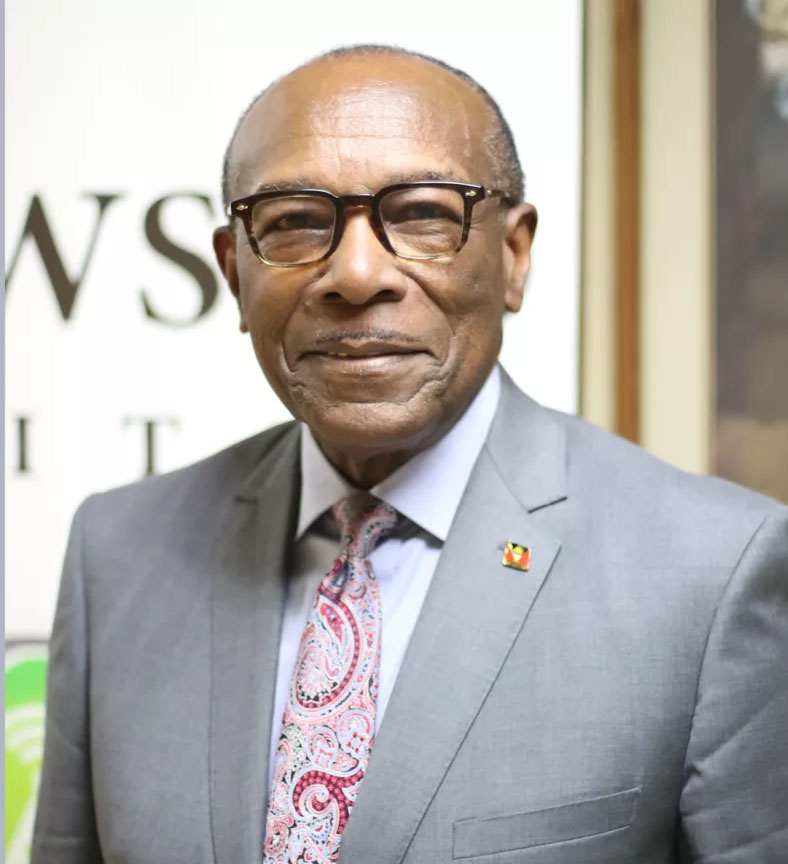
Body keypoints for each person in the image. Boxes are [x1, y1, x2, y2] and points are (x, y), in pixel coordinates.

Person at [33, 45, 788, 864]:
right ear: (234, 272)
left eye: (424, 213)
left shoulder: (713, 575)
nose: (357, 274)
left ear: (514, 255)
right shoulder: (118, 557)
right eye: (294, 221)